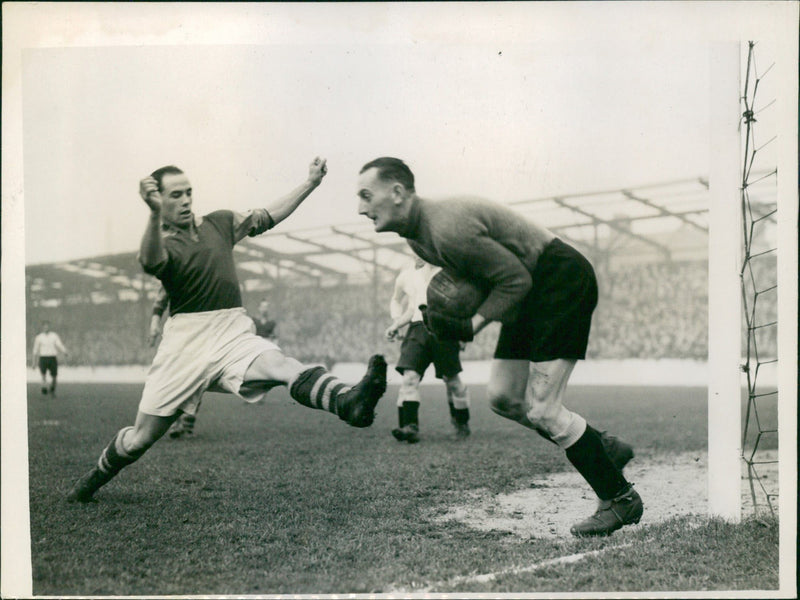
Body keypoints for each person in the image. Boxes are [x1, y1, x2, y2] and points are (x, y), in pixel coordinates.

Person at [67, 157, 387, 503]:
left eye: (189, 192)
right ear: (159, 200)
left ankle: (348, 401)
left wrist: (309, 183)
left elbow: (267, 215)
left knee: (281, 365)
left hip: (231, 331)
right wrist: (153, 214)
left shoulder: (219, 223)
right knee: (139, 439)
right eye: (175, 195)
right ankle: (94, 478)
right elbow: (149, 261)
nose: (186, 200)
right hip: (185, 346)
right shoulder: (164, 242)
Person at [356, 157, 641, 537]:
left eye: (366, 195)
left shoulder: (445, 226)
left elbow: (514, 280)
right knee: (504, 398)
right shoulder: (417, 237)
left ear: (396, 193)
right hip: (530, 289)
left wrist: (469, 324)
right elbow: (483, 277)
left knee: (543, 409)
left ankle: (620, 498)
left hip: (557, 278)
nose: (361, 208)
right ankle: (602, 447)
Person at [385, 255, 471, 443]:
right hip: (417, 329)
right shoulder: (406, 276)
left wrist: (463, 332)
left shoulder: (447, 270)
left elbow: (462, 302)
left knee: (453, 381)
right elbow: (403, 304)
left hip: (444, 329)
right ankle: (410, 426)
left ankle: (461, 423)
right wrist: (395, 323)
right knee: (409, 377)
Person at [31, 321, 69, 397]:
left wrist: (64, 351)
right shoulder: (39, 337)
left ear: (49, 327)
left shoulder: (54, 336)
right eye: (44, 326)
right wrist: (34, 362)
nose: (46, 328)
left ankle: (52, 389)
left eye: (47, 326)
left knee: (54, 376)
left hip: (52, 358)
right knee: (43, 375)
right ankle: (44, 389)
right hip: (43, 358)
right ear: (42, 327)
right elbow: (35, 350)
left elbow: (59, 344)